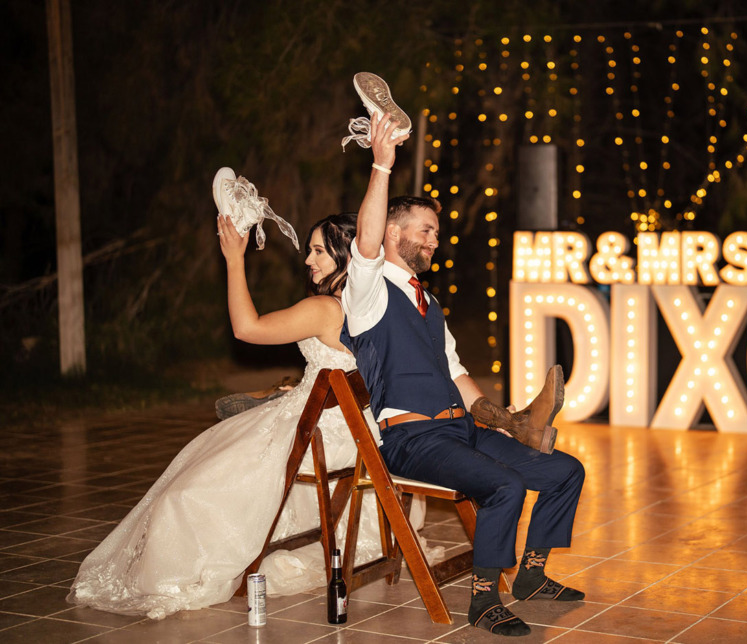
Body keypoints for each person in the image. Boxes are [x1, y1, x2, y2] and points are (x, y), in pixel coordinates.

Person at [67, 211, 388, 619]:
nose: (308, 260)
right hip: (354, 433)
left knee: (183, 494)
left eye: (319, 251)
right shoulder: (372, 305)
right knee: (219, 448)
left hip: (316, 435)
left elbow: (247, 329)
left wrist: (235, 259)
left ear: (346, 255)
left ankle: (176, 573)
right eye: (310, 250)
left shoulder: (326, 308)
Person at [340, 112, 586, 637]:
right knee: (505, 486)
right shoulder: (367, 294)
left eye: (436, 232)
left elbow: (459, 376)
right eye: (426, 230)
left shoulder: (430, 304)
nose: (434, 240)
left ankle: (532, 577)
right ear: (393, 232)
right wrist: (382, 165)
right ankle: (484, 600)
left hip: (461, 430)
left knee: (565, 472)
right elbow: (365, 245)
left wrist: (506, 421)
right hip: (412, 439)